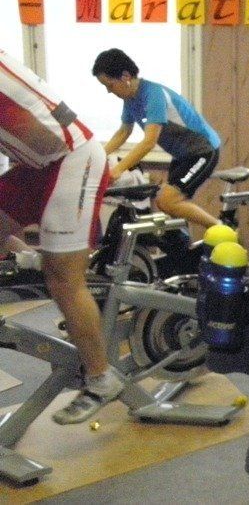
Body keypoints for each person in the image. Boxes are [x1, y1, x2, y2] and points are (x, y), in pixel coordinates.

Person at [0, 48, 125, 424]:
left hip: (73, 159)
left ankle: (101, 378)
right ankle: (28, 257)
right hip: (35, 164)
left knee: (63, 280)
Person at [92, 48, 221, 230]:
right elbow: (123, 132)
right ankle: (186, 245)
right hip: (183, 155)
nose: (108, 91)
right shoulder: (130, 99)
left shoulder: (153, 95)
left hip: (203, 151)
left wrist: (119, 169)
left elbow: (149, 142)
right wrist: (97, 155)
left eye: (110, 85)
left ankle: (222, 229)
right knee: (168, 206)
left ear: (125, 76)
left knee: (167, 201)